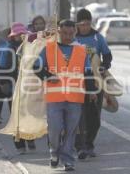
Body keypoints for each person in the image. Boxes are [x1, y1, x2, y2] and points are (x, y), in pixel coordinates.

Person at [33, 19, 97, 171]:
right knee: (54, 130)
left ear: (75, 32)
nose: (68, 36)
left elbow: (88, 72)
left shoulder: (82, 50)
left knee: (71, 131)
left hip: (75, 98)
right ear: (59, 32)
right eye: (65, 33)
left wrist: (91, 91)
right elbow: (36, 67)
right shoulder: (49, 49)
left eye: (71, 33)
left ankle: (68, 160)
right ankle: (54, 152)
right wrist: (48, 75)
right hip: (55, 98)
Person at [74, 8, 112, 159]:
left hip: (95, 81)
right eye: (82, 24)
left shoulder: (98, 38)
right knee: (78, 116)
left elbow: (107, 55)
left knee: (94, 117)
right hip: (77, 81)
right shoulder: (72, 37)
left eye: (87, 23)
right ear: (77, 24)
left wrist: (104, 66)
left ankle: (89, 143)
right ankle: (80, 146)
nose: (85, 27)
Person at [0, 22, 36, 154]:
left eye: (22, 34)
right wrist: (3, 83)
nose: (20, 36)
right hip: (13, 86)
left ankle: (30, 138)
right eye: (18, 34)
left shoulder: (30, 47)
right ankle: (19, 145)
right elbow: (2, 68)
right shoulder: (8, 50)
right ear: (12, 36)